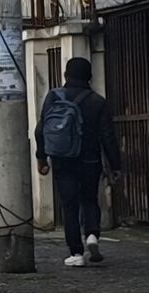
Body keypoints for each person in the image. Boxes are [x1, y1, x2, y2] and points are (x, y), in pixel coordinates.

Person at [36, 57, 123, 268]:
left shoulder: (53, 97)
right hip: (90, 159)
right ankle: (92, 234)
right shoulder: (98, 101)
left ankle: (76, 252)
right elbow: (108, 136)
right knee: (89, 199)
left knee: (69, 204)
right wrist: (116, 165)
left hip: (62, 159)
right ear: (89, 77)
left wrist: (42, 157)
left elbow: (41, 129)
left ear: (66, 75)